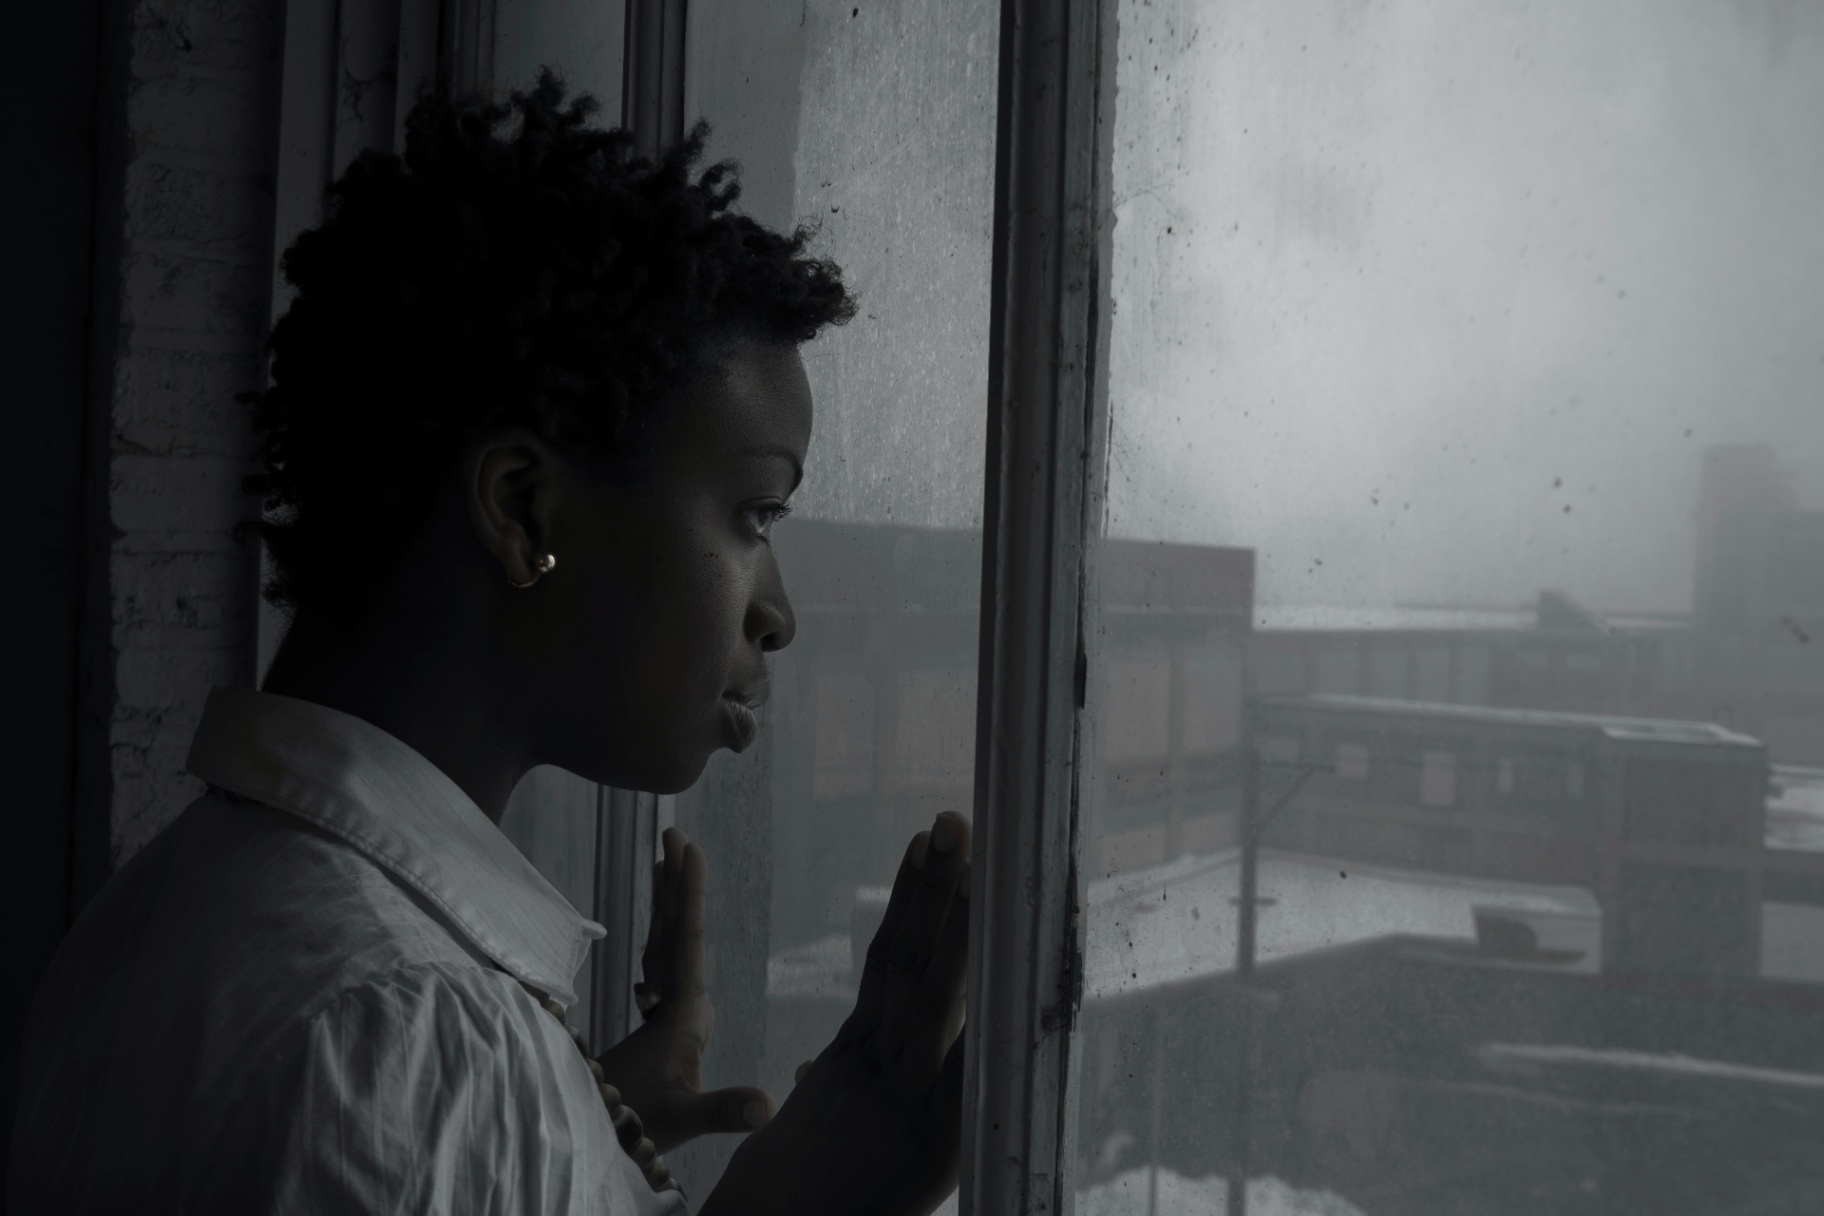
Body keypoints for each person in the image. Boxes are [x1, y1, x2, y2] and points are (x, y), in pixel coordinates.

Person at [8, 74, 971, 1216]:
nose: (778, 612)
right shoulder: (410, 1042)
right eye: (755, 515)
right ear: (522, 510)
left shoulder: (168, 912)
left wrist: (563, 1146)